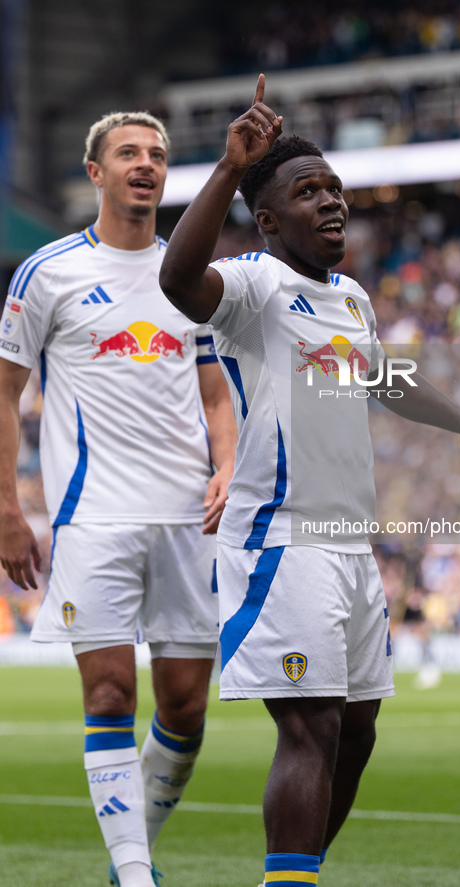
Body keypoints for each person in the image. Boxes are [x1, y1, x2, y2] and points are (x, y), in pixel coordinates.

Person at [159, 74, 460, 887]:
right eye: (306, 191)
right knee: (312, 726)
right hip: (283, 539)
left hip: (349, 544)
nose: (330, 203)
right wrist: (227, 168)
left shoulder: (350, 297)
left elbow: (382, 379)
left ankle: (294, 873)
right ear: (268, 217)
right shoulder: (251, 285)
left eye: (335, 189)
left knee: (357, 731)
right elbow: (178, 282)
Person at [0, 111, 236, 887]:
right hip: (90, 515)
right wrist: (7, 506)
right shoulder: (48, 272)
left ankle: (131, 853)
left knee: (186, 710)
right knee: (108, 689)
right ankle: (136, 873)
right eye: (128, 153)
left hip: (184, 520)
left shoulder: (190, 276)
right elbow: (5, 392)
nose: (146, 164)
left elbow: (215, 398)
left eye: (158, 155)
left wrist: (227, 465)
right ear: (95, 171)